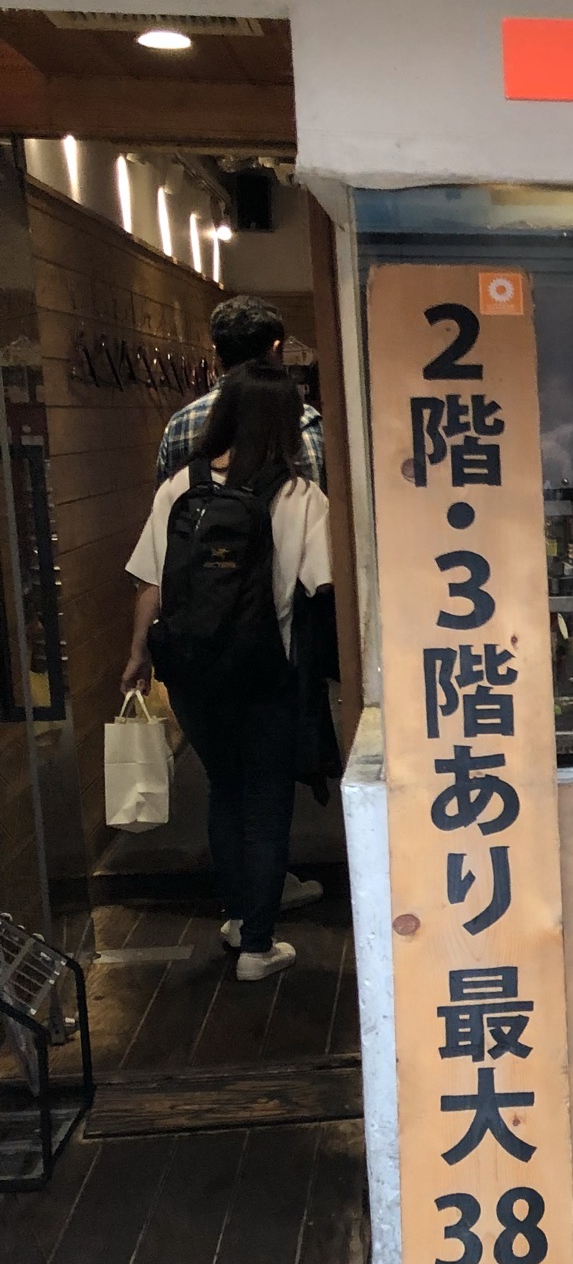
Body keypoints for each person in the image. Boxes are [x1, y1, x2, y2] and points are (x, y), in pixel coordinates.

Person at [122, 366, 332, 981]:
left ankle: (241, 918)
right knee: (267, 799)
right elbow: (324, 584)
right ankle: (258, 947)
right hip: (263, 669)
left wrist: (137, 656)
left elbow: (151, 583)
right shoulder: (298, 497)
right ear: (287, 424)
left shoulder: (176, 489)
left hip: (190, 670)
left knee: (224, 788)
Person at [158, 294, 325, 490]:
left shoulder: (179, 424)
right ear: (275, 349)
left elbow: (169, 511)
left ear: (217, 354)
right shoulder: (303, 421)